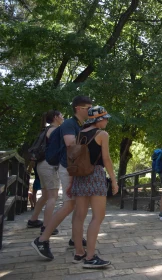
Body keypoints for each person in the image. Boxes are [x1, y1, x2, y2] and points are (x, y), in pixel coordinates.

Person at [32, 96, 93, 260]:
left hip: (75, 169)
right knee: (68, 205)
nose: (91, 110)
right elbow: (70, 144)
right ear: (79, 108)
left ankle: (75, 238)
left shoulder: (79, 124)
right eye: (88, 107)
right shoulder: (69, 124)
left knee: (75, 204)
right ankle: (42, 239)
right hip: (69, 169)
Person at [69, 106, 118, 268]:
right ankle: (90, 258)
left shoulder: (80, 134)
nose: (107, 121)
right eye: (105, 118)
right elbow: (106, 159)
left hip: (79, 176)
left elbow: (74, 158)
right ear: (98, 119)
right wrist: (114, 179)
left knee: (79, 216)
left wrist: (70, 183)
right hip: (95, 175)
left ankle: (79, 252)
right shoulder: (102, 134)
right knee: (98, 217)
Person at [27, 110, 64, 235]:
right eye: (61, 115)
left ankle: (33, 220)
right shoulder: (54, 131)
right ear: (55, 117)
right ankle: (47, 226)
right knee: (52, 196)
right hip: (50, 165)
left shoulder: (45, 130)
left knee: (45, 195)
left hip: (41, 165)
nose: (63, 117)